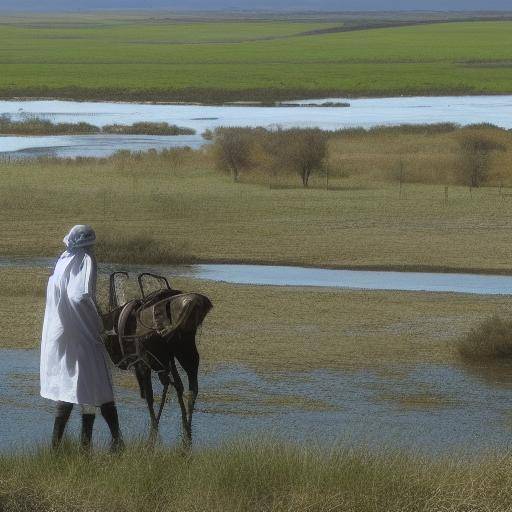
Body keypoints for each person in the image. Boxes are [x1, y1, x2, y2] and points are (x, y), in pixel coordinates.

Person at [40, 225, 123, 451]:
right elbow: (80, 296)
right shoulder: (86, 260)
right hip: (83, 334)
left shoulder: (62, 261)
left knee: (69, 387)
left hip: (61, 335)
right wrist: (98, 321)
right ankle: (115, 441)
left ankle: (57, 447)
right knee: (99, 387)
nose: (93, 248)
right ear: (87, 244)